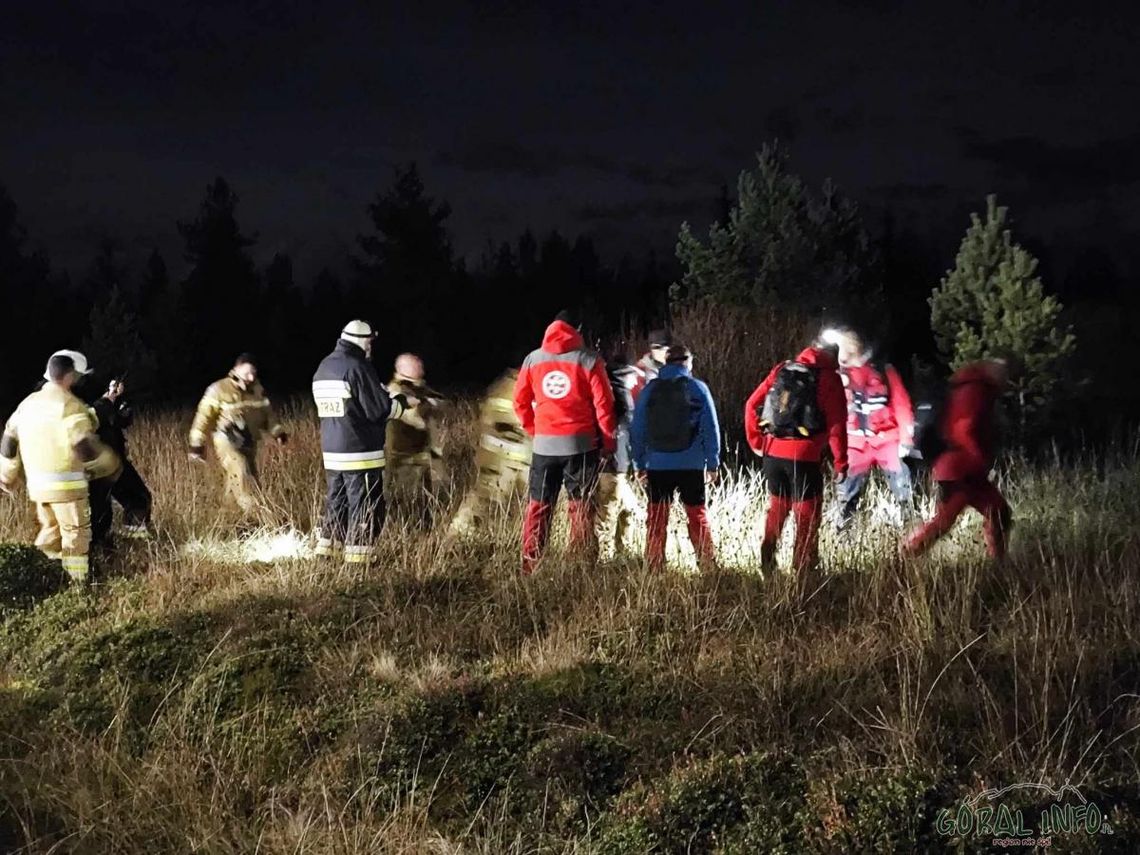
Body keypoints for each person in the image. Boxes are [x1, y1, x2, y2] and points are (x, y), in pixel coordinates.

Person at [0, 352, 121, 584]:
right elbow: (83, 445)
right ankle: (76, 587)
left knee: (50, 534)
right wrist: (109, 464)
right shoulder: (70, 405)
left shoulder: (28, 404)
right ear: (71, 376)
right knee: (76, 536)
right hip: (68, 487)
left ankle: (45, 578)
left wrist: (6, 475)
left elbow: (9, 440)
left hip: (38, 488)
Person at [513, 309, 616, 575]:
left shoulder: (532, 359)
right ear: (577, 328)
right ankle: (580, 566)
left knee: (538, 506)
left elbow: (520, 402)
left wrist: (535, 430)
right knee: (580, 507)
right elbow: (604, 406)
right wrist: (607, 442)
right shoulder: (589, 360)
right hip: (581, 447)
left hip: (544, 447)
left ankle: (530, 565)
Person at [312, 320, 414, 564]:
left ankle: (327, 551)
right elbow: (377, 409)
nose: (371, 347)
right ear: (361, 341)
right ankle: (360, 560)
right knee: (365, 503)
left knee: (337, 502)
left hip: (333, 452)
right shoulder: (358, 366)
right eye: (369, 341)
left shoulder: (324, 367)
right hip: (360, 452)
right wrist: (399, 403)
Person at [745, 334, 848, 574]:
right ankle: (804, 572)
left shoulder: (782, 369)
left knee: (777, 509)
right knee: (807, 516)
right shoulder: (829, 379)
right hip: (804, 457)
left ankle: (767, 561)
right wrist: (841, 463)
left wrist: (756, 441)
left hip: (772, 453)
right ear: (834, 356)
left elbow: (751, 404)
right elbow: (836, 427)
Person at [901, 358, 1014, 560]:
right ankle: (905, 555)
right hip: (958, 469)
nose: (1006, 379)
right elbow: (964, 429)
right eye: (1004, 373)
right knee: (943, 522)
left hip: (965, 469)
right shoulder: (975, 389)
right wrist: (980, 460)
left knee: (999, 512)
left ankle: (999, 563)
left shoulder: (974, 387)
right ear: (993, 371)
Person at [631, 344, 720, 570]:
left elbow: (638, 428)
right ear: (688, 362)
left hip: (658, 464)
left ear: (666, 363)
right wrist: (712, 462)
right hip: (691, 464)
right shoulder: (698, 388)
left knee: (657, 517)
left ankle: (653, 565)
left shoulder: (650, 390)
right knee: (697, 515)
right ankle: (708, 565)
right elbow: (710, 427)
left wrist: (639, 463)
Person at [188, 353, 288, 523]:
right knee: (242, 477)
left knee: (236, 485)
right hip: (226, 441)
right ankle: (271, 524)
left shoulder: (257, 390)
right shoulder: (218, 389)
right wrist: (197, 446)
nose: (250, 377)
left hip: (249, 442)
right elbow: (202, 419)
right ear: (236, 370)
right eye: (247, 373)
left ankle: (228, 524)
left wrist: (278, 432)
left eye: (253, 373)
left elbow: (268, 416)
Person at [833, 329, 915, 530]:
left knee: (902, 485)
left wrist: (906, 439)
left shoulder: (884, 372)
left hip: (887, 439)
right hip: (855, 443)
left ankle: (912, 528)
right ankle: (844, 533)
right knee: (847, 493)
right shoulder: (838, 378)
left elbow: (901, 403)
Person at [448, 368, 532, 536]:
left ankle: (461, 536)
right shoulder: (520, 388)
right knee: (489, 499)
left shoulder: (501, 386)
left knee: (486, 497)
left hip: (495, 457)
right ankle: (461, 536)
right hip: (509, 461)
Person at [90, 376, 152, 546]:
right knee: (134, 500)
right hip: (101, 465)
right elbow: (95, 415)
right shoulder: (79, 403)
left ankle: (129, 545)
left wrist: (117, 400)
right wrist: (110, 396)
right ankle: (125, 548)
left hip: (109, 463)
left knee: (137, 500)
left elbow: (120, 421)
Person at [595, 351, 645, 556]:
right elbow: (625, 430)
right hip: (612, 469)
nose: (636, 381)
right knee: (606, 515)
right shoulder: (620, 396)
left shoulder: (608, 392)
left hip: (617, 469)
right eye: (634, 375)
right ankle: (602, 559)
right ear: (625, 374)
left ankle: (623, 555)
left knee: (631, 510)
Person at [385, 353, 443, 522]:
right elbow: (417, 419)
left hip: (420, 458)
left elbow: (440, 403)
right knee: (405, 503)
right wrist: (425, 405)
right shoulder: (396, 390)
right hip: (402, 459)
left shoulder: (417, 389)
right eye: (417, 366)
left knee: (423, 503)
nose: (422, 369)